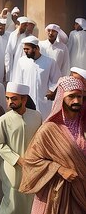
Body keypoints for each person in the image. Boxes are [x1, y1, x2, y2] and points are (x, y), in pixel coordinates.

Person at [19, 76, 86, 212]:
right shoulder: (49, 129)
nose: (76, 101)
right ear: (62, 98)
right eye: (71, 96)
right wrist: (60, 169)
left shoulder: (83, 126)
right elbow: (31, 160)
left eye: (80, 96)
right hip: (56, 193)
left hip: (82, 192)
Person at [0, 82, 42, 214]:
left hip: (32, 167)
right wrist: (17, 159)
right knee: (12, 202)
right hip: (12, 168)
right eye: (7, 98)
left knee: (30, 202)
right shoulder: (3, 120)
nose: (9, 102)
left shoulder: (36, 116)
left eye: (14, 98)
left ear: (24, 99)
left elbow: (41, 140)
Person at [13, 35, 61, 119]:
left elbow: (57, 80)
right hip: (26, 101)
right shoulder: (21, 61)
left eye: (27, 49)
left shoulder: (50, 62)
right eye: (24, 49)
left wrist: (52, 91)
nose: (25, 51)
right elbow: (17, 81)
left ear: (35, 48)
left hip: (43, 102)